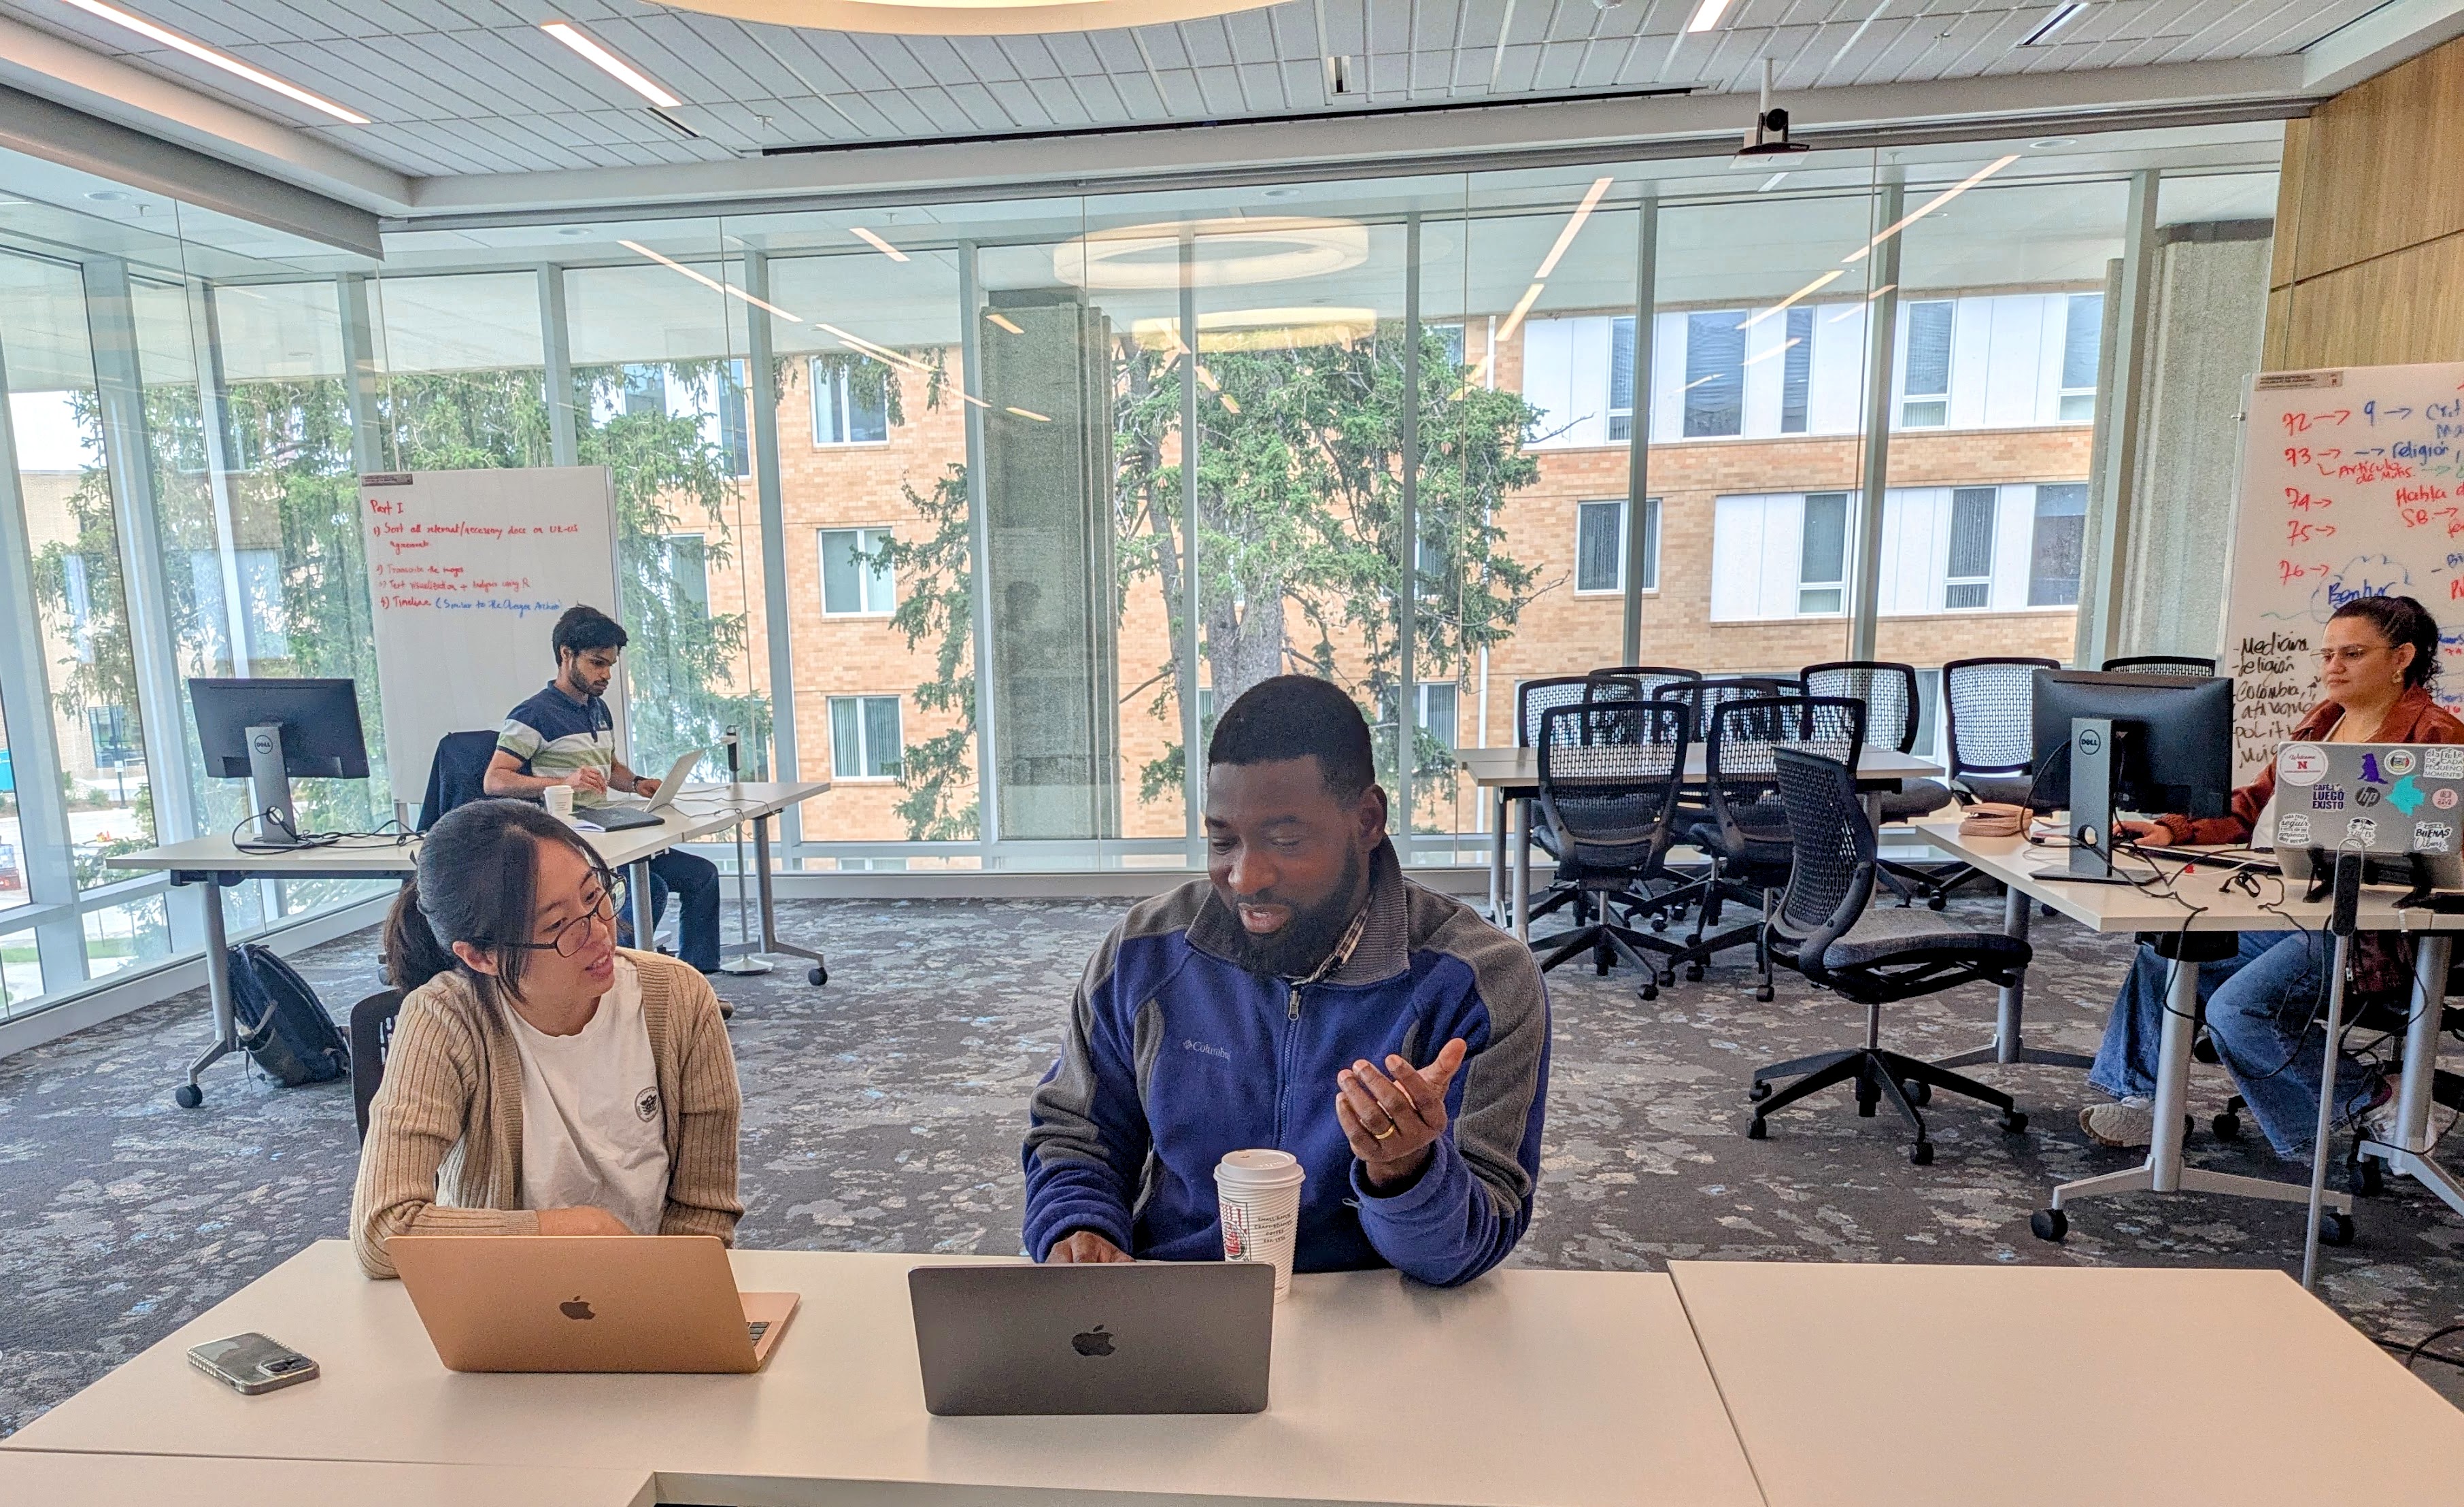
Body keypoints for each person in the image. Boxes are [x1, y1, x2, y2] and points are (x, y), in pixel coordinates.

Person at [1023, 675, 1550, 1288]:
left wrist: (1404, 1171)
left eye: (1286, 840)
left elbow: (1466, 1247)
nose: (1245, 877)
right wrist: (1076, 1227)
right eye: (1223, 840)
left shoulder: (1478, 980)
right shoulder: (1145, 952)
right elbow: (1075, 1135)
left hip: (1379, 1306)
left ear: (1368, 820)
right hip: (1178, 1296)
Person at [2082, 594, 2464, 1157]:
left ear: (2400, 657)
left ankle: (2373, 1097)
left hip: (2377, 933)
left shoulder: (2438, 737)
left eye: (2352, 654)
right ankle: (2143, 1100)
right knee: (2165, 954)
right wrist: (2175, 830)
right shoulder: (2323, 722)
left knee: (2236, 1009)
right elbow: (2252, 806)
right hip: (2307, 908)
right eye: (2327, 653)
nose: (2332, 667)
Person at [351, 798, 741, 1280]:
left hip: (652, 1292)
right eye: (558, 926)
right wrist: (570, 1232)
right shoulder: (446, 1019)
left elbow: (703, 1215)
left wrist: (659, 1302)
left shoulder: (677, 999)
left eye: (595, 895)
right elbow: (383, 1228)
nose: (600, 932)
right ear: (480, 957)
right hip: (502, 1295)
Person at [485, 604, 722, 973]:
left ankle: (698, 979)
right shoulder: (531, 716)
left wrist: (638, 783)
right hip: (573, 835)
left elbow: (608, 768)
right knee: (650, 888)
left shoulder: (598, 708)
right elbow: (496, 780)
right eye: (597, 663)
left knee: (702, 876)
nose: (606, 674)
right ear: (567, 655)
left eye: (610, 664)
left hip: (608, 826)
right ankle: (616, 975)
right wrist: (564, 782)